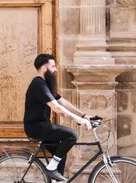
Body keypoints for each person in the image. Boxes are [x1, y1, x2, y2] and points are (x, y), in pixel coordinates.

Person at [23, 54, 98, 182]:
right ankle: (51, 168)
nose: (56, 69)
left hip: (43, 126)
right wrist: (79, 121)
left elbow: (62, 102)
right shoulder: (38, 84)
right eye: (53, 66)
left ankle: (55, 177)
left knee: (60, 153)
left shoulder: (45, 84)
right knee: (72, 135)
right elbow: (55, 106)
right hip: (36, 127)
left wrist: (84, 116)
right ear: (44, 68)